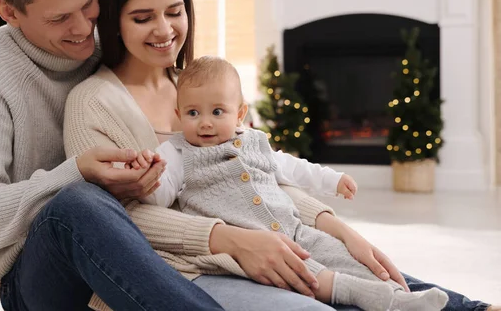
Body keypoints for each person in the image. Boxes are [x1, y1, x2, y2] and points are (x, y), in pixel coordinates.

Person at [64, 0, 498, 311]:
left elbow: (258, 172)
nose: (164, 29)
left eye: (175, 12)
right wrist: (233, 241)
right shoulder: (94, 102)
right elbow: (113, 224)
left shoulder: (197, 87)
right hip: (188, 271)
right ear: (114, 23)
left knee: (380, 273)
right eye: (143, 18)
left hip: (273, 238)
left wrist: (339, 229)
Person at [0, 0, 226, 311]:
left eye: (88, 4)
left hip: (128, 250)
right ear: (9, 12)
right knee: (76, 205)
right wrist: (75, 172)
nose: (83, 29)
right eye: (59, 18)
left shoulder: (108, 37)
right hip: (36, 273)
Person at [135, 55, 450, 310]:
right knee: (314, 277)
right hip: (255, 250)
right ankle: (384, 301)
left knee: (344, 255)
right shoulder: (176, 153)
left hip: (297, 229)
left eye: (218, 111)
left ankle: (398, 293)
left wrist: (333, 179)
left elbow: (293, 169)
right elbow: (158, 197)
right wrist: (145, 179)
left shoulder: (255, 142)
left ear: (240, 114)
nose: (205, 122)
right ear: (179, 115)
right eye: (193, 113)